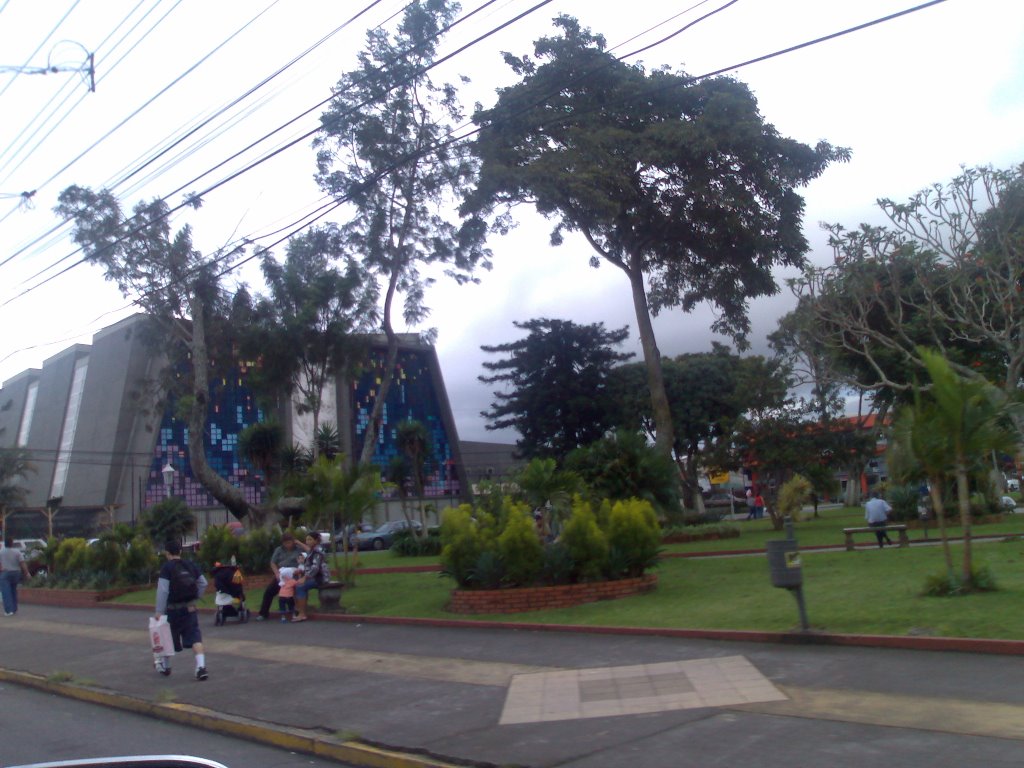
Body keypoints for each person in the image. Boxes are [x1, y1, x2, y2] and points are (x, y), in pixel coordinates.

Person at [154, 539, 209, 680]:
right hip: (189, 608)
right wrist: (195, 598)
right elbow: (203, 583)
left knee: (167, 638)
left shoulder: (167, 568)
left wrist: (159, 611)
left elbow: (163, 591)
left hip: (172, 610)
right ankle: (201, 667)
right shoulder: (190, 565)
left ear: (167, 553)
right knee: (195, 637)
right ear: (180, 551)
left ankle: (166, 666)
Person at [257, 532, 307, 621]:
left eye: (289, 542)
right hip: (282, 574)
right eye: (285, 543)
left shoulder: (298, 549)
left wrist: (299, 543)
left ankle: (296, 610)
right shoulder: (279, 550)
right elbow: (273, 562)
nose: (288, 545)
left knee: (295, 589)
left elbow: (309, 551)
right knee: (269, 591)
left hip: (294, 573)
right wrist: (277, 573)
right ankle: (263, 613)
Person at [292, 533, 329, 623]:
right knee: (294, 584)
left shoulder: (318, 551)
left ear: (316, 541)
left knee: (300, 587)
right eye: (307, 540)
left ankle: (302, 613)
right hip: (313, 577)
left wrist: (305, 577)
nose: (308, 542)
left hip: (320, 578)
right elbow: (307, 554)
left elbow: (315, 568)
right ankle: (299, 609)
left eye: (310, 540)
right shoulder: (313, 550)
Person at [1, 535, 31, 616]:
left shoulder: (1, 552)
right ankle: (14, 609)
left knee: (6, 592)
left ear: (5, 544)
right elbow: (22, 563)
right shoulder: (17, 552)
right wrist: (27, 573)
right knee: (13, 591)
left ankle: (8, 610)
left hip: (6, 573)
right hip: (16, 573)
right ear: (12, 543)